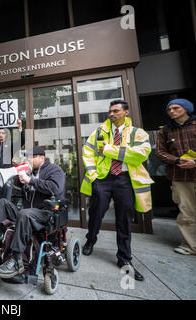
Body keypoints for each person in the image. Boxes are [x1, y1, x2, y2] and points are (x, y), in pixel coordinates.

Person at [80, 100, 154, 281]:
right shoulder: (99, 132)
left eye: (116, 111)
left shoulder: (138, 133)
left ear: (126, 112)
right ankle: (91, 239)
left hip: (124, 180)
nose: (111, 114)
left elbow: (140, 154)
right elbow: (87, 151)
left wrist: (109, 150)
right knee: (96, 213)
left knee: (124, 219)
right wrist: (93, 174)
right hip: (102, 179)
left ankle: (124, 258)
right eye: (110, 111)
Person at [0, 146, 65, 278]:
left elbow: (55, 188)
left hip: (45, 214)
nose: (28, 160)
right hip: (26, 214)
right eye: (27, 157)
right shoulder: (29, 171)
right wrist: (18, 179)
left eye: (31, 157)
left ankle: (17, 259)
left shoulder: (55, 170)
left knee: (25, 213)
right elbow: (17, 193)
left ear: (41, 158)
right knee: (3, 202)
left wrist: (30, 181)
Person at [155, 99, 196, 255]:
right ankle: (191, 246)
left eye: (176, 108)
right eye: (169, 109)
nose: (171, 111)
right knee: (186, 213)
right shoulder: (165, 130)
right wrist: (176, 160)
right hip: (180, 177)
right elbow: (160, 152)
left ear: (187, 109)